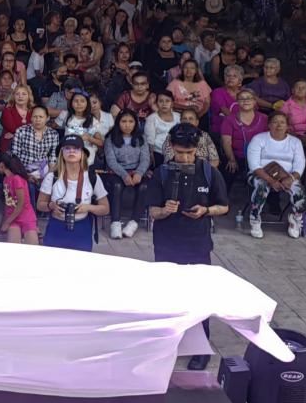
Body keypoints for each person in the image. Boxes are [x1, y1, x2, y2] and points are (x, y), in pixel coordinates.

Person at [144, 123, 231, 370]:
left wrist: (205, 210)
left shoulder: (209, 173)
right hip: (166, 244)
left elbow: (223, 206)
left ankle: (201, 348)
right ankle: (167, 344)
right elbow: (152, 212)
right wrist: (164, 211)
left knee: (199, 296)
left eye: (189, 153)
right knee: (166, 296)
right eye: (181, 152)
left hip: (197, 243)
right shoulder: (161, 173)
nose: (185, 157)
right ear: (171, 147)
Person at [38, 135, 109, 250]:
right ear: (62, 153)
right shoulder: (53, 176)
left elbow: (105, 208)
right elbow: (40, 204)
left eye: (76, 148)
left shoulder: (92, 177)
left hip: (82, 227)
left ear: (82, 153)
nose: (71, 151)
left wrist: (88, 207)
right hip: (57, 226)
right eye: (67, 148)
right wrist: (51, 206)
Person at [244, 112, 306, 239]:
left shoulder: (295, 142)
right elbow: (254, 165)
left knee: (298, 190)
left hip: (286, 176)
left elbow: (300, 165)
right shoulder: (259, 139)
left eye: (282, 122)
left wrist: (290, 178)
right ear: (269, 125)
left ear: (287, 126)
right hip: (260, 174)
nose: (279, 125)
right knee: (262, 186)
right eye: (275, 122)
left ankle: (296, 218)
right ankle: (255, 217)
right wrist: (270, 180)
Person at [103, 111, 152, 239]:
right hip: (117, 172)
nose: (127, 125)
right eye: (123, 121)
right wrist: (124, 175)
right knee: (117, 186)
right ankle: (115, 222)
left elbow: (145, 159)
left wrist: (139, 173)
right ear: (118, 123)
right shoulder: (110, 139)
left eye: (131, 122)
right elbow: (111, 161)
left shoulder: (141, 138)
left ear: (136, 123)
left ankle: (134, 222)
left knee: (144, 187)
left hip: (137, 171)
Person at [0, 153, 39, 245]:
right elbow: (9, 202)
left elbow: (20, 204)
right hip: (13, 217)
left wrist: (7, 222)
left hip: (25, 216)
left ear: (1, 165)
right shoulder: (6, 179)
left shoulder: (16, 179)